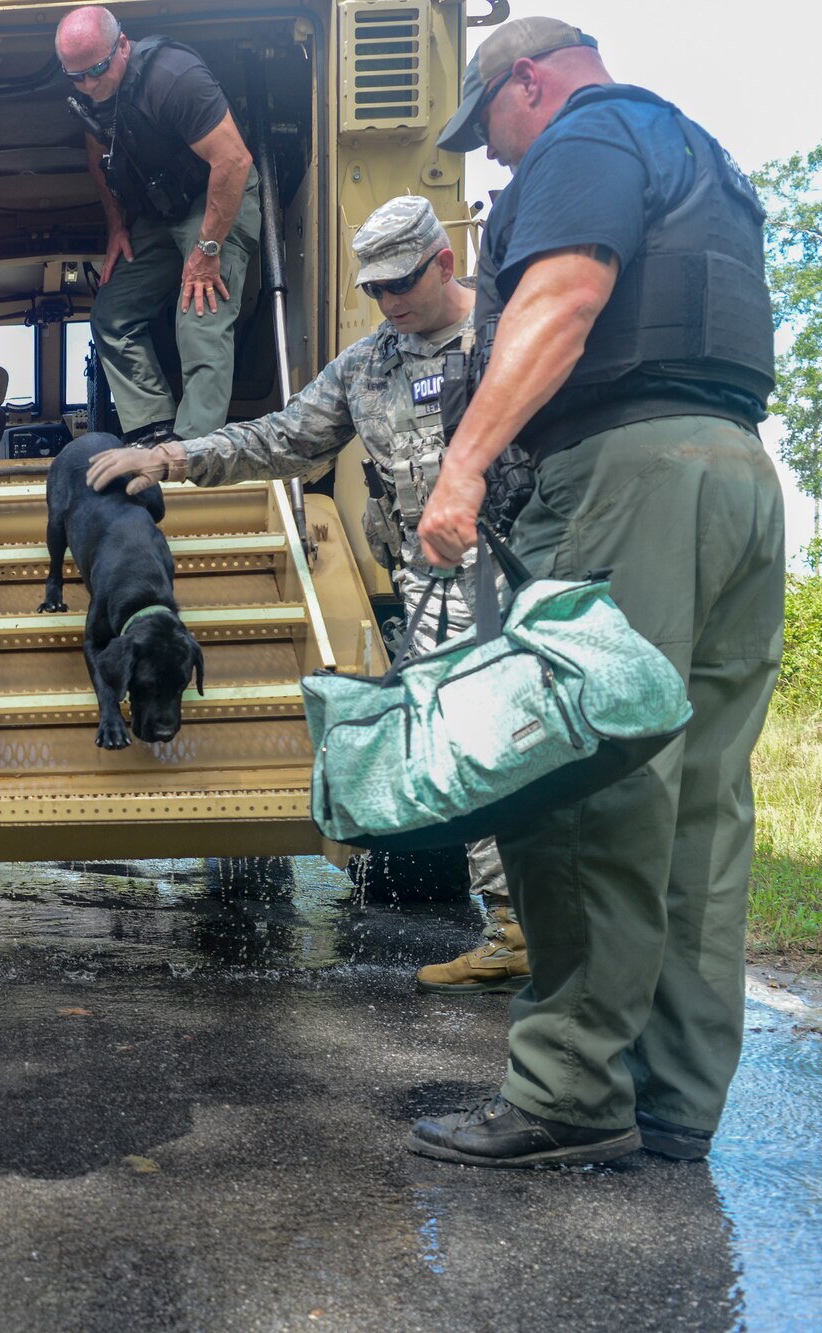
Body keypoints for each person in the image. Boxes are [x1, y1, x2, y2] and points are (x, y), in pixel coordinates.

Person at [410, 17, 782, 1168]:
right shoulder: (697, 157)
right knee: (699, 813)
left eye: (495, 131)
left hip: (625, 478)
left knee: (581, 785)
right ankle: (669, 1097)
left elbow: (562, 299)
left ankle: (569, 1087)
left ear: (529, 82)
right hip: (731, 475)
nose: (500, 158)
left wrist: (462, 464)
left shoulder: (583, 137)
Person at [85, 196, 528, 995]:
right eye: (377, 290)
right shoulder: (371, 366)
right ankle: (516, 931)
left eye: (403, 284)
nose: (390, 303)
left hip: (522, 578)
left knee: (527, 748)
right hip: (431, 592)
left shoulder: (512, 337)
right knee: (463, 755)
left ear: (444, 263)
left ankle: (562, 926)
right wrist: (173, 456)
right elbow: (281, 437)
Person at [57, 5, 261, 443]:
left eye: (96, 70)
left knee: (199, 319)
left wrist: (207, 251)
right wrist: (116, 226)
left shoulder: (172, 78)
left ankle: (192, 456)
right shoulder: (96, 97)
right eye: (76, 77)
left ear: (123, 46)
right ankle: (154, 434)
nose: (89, 85)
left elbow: (234, 159)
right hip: (161, 210)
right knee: (111, 315)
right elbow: (97, 156)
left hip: (217, 195)